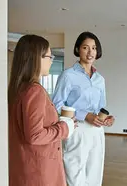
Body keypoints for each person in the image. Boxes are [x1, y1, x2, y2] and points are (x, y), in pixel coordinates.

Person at [8, 34, 77, 186]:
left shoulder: (18, 90)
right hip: (39, 170)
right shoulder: (34, 91)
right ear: (35, 58)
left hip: (24, 166)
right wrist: (65, 127)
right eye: (49, 56)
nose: (51, 60)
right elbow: (35, 135)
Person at [51, 31, 115, 186]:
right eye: (86, 47)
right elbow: (56, 104)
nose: (90, 52)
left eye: (93, 48)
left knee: (95, 171)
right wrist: (84, 115)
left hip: (97, 131)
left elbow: (101, 107)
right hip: (76, 129)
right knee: (74, 172)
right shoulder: (68, 75)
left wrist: (107, 118)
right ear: (78, 49)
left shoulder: (100, 80)